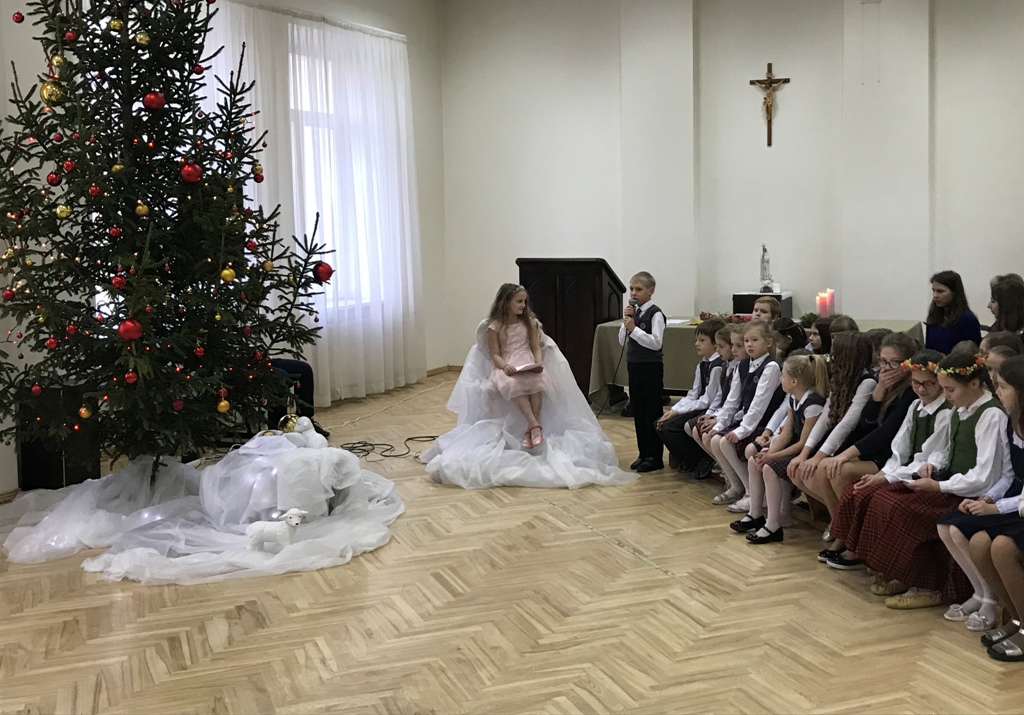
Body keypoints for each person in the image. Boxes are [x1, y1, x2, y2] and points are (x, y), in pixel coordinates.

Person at [835, 350, 1008, 609]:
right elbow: (943, 450)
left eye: (949, 389)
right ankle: (900, 573)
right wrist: (932, 465)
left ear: (974, 384)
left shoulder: (991, 415)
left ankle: (929, 586)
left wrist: (938, 485)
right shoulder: (960, 408)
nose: (946, 396)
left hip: (973, 493)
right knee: (884, 499)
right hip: (952, 484)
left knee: (903, 509)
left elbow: (984, 476)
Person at [422, 284, 635, 489]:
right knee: (512, 383)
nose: (523, 305)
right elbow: (495, 354)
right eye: (519, 302)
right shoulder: (494, 327)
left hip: (527, 361)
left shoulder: (530, 323)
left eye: (524, 302)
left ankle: (532, 428)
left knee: (537, 382)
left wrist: (538, 363)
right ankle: (534, 424)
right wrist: (505, 366)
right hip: (507, 365)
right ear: (505, 302)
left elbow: (535, 347)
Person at [828, 350, 951, 594]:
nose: (921, 389)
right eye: (916, 383)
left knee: (883, 500)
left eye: (928, 384)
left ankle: (900, 572)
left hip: (928, 476)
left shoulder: (946, 412)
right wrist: (883, 474)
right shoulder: (915, 406)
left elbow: (929, 457)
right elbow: (899, 449)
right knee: (857, 491)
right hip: (904, 471)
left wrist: (886, 478)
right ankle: (870, 558)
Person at [935, 356, 1024, 633]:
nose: (998, 392)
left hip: (1018, 505)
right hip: (1015, 499)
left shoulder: (996, 415)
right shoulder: (1012, 422)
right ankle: (1012, 616)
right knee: (974, 540)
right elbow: (1010, 474)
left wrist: (996, 508)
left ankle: (1020, 623)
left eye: (1003, 387)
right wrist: (990, 498)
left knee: (1000, 546)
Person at [731, 353, 829, 543]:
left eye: (783, 375)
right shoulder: (793, 398)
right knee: (755, 460)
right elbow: (786, 434)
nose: (780, 378)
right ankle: (755, 513)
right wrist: (769, 453)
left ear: (794, 381)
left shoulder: (813, 404)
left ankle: (773, 524)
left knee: (769, 467)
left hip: (811, 452)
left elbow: (804, 443)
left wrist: (772, 458)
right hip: (796, 448)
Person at [788, 332, 876, 542]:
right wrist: (805, 453)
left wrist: (819, 456)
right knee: (798, 471)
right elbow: (826, 417)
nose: (830, 357)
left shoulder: (867, 382)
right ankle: (838, 518)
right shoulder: (839, 379)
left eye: (835, 353)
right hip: (837, 441)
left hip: (855, 444)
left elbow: (848, 424)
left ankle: (843, 526)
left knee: (820, 469)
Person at [707, 320, 784, 508]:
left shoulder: (771, 367)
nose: (749, 345)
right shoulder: (742, 365)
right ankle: (737, 486)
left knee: (726, 442)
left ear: (768, 342)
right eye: (747, 341)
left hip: (763, 424)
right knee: (716, 439)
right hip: (748, 421)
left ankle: (752, 493)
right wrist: (720, 424)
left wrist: (741, 431)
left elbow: (759, 405)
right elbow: (732, 401)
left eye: (754, 340)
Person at [657, 319, 726, 474]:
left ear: (715, 343)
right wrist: (674, 409)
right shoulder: (702, 364)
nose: (696, 344)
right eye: (696, 340)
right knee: (660, 424)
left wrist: (678, 412)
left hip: (709, 409)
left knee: (671, 428)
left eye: (702, 340)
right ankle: (686, 459)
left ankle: (700, 460)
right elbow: (693, 393)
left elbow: (707, 400)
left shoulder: (717, 366)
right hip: (700, 405)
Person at [620, 272, 666, 473]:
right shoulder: (633, 313)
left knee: (651, 411)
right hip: (634, 365)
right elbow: (622, 341)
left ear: (650, 290)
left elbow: (656, 343)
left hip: (651, 367)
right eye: (631, 289)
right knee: (638, 410)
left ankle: (655, 456)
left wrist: (635, 329)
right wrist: (627, 323)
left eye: (638, 289)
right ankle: (643, 453)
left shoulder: (655, 314)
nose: (633, 293)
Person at [925, 270, 983, 354]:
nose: (935, 295)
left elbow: (973, 352)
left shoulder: (968, 319)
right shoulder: (934, 315)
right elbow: (928, 348)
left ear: (954, 293)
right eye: (933, 290)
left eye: (940, 291)